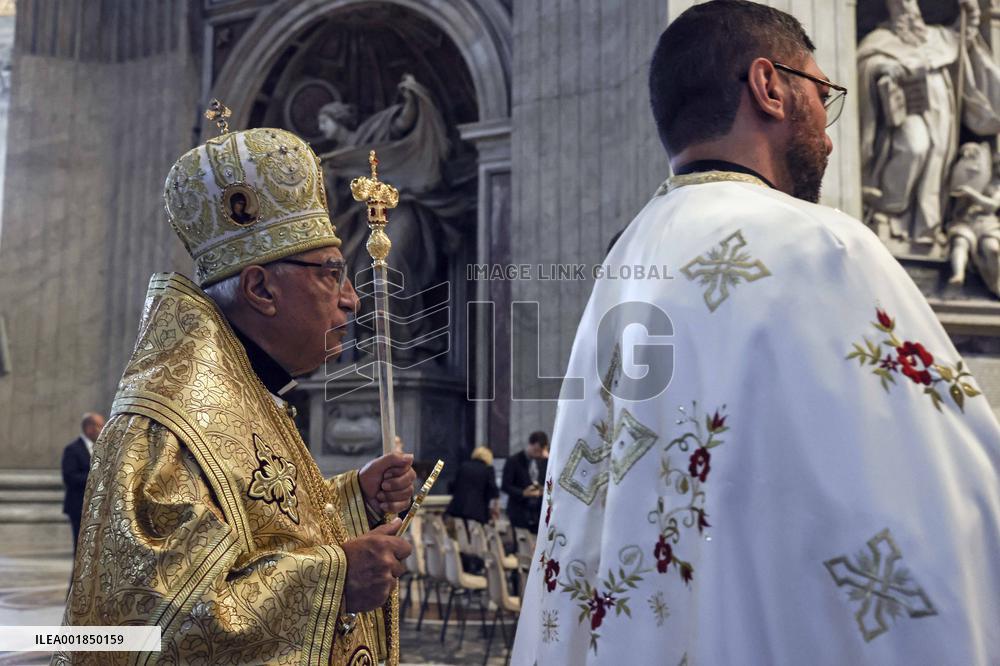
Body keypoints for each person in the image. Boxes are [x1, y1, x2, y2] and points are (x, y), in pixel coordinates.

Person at [513, 2, 1000, 664]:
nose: (829, 132)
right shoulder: (819, 247)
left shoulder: (625, 262)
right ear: (769, 86)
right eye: (822, 93)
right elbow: (943, 496)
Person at [58, 120, 416, 665]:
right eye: (331, 274)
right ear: (260, 289)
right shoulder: (170, 426)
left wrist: (352, 499)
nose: (352, 300)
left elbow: (268, 537)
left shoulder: (248, 392)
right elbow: (141, 632)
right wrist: (336, 580)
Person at [858, 0, 1000, 243]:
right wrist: (885, 67)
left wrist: (971, 9)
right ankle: (888, 212)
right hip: (906, 110)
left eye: (912, 8)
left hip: (941, 109)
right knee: (914, 147)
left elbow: (965, 32)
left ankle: (925, 227)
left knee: (937, 156)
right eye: (903, 9)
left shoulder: (936, 36)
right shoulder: (880, 39)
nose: (909, 14)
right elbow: (865, 63)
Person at [60, 412, 104, 556]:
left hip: (96, 507)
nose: (102, 430)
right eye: (100, 426)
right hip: (78, 506)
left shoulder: (101, 449)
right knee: (80, 549)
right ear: (89, 427)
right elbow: (70, 477)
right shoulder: (73, 449)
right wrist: (96, 478)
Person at [501, 431, 548, 534]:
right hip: (519, 511)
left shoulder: (543, 461)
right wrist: (523, 493)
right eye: (536, 450)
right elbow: (505, 486)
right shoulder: (514, 461)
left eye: (540, 451)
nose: (538, 454)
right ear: (531, 445)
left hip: (537, 512)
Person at [446, 446, 500, 525]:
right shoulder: (488, 470)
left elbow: (453, 485)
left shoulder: (464, 466)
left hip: (458, 508)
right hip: (478, 512)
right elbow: (493, 490)